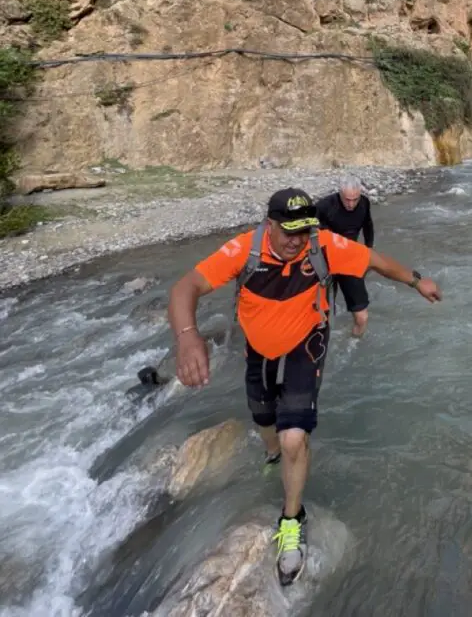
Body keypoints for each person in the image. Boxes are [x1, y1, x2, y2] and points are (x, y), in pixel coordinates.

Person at [167, 187, 442, 587]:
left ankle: (292, 518)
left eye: (304, 230)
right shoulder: (245, 249)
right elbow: (185, 287)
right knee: (263, 417)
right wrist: (188, 337)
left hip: (306, 344)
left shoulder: (323, 246)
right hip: (258, 346)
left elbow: (378, 262)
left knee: (294, 434)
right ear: (270, 224)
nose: (296, 240)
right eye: (288, 231)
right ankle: (273, 455)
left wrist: (418, 282)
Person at [316, 174, 374, 337]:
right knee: (320, 317)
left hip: (350, 260)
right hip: (325, 261)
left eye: (355, 199)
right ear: (340, 194)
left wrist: (369, 252)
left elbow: (368, 226)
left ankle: (354, 344)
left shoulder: (364, 203)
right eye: (347, 199)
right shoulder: (324, 206)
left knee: (362, 317)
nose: (351, 204)